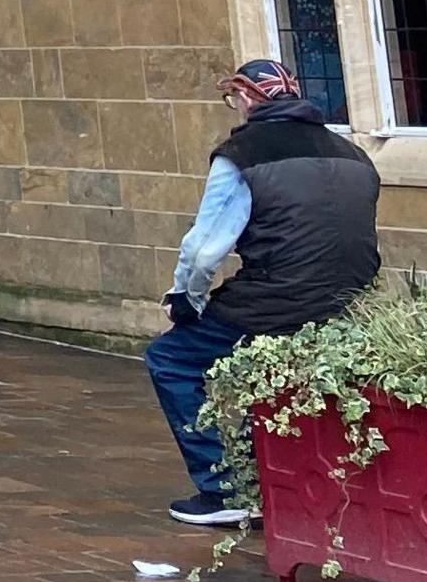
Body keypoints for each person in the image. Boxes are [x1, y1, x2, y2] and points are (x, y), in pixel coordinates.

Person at [144, 57, 380, 526]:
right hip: (351, 301)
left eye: (234, 99)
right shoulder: (353, 153)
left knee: (171, 359)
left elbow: (205, 251)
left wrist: (184, 300)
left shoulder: (243, 154)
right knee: (277, 373)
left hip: (276, 299)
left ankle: (224, 489)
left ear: (248, 98)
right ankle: (284, 481)